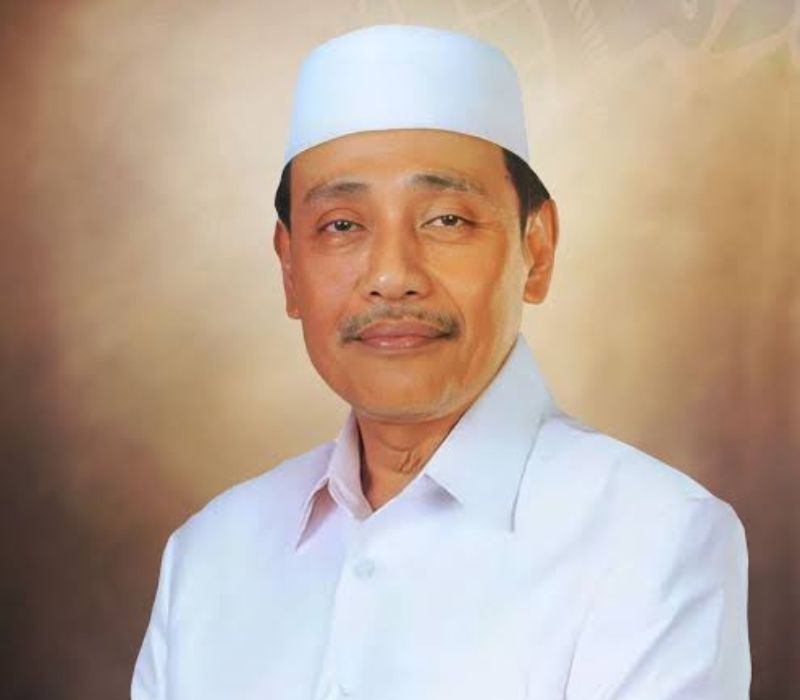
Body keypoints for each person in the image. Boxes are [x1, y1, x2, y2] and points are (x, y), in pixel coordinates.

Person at [131, 24, 750, 700]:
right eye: (342, 225)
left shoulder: (652, 536)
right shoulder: (208, 555)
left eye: (447, 220)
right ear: (289, 270)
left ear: (536, 250)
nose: (392, 276)